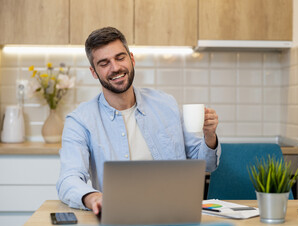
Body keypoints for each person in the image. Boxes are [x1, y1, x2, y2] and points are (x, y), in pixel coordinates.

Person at [56, 27, 221, 215]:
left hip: (176, 213)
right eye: (104, 63)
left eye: (120, 58)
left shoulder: (166, 104)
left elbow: (206, 165)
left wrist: (209, 137)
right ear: (94, 72)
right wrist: (92, 197)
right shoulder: (80, 121)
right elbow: (68, 179)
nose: (115, 67)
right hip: (120, 215)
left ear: (131, 59)